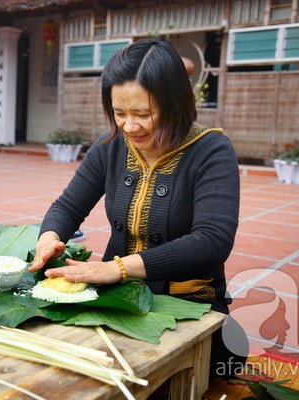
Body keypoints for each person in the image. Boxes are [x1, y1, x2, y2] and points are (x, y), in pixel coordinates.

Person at [29, 38, 247, 377]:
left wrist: (117, 268)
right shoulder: (110, 148)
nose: (129, 127)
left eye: (143, 114)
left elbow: (212, 241)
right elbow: (68, 205)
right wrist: (49, 238)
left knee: (224, 360)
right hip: (117, 297)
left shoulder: (211, 151)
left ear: (175, 103)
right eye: (119, 113)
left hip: (187, 302)